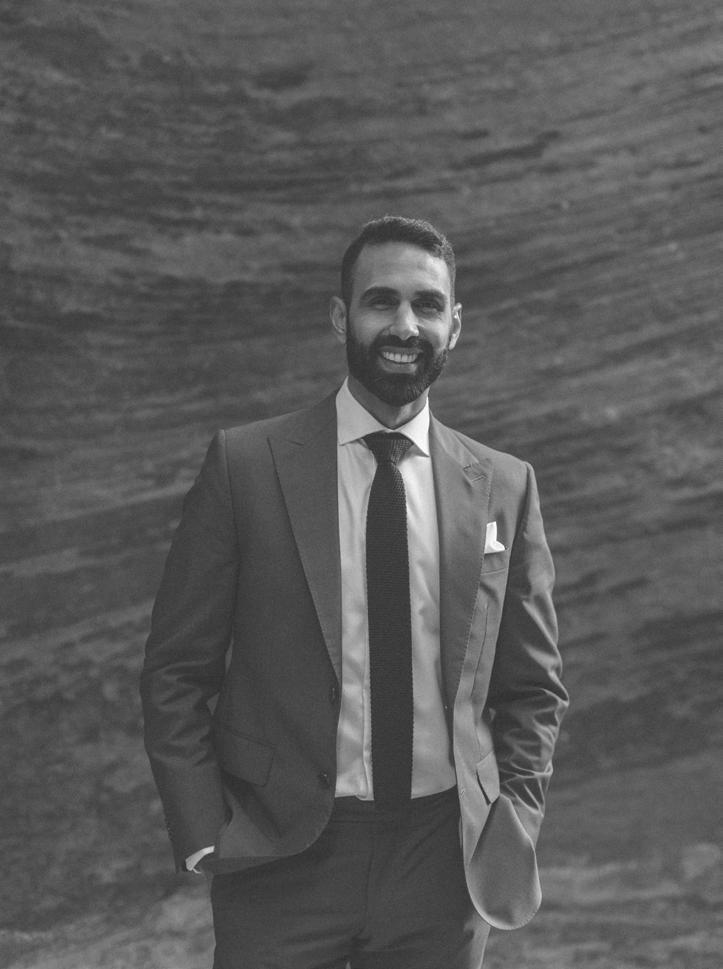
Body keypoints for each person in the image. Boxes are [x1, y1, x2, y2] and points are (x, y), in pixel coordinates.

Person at [140, 215, 568, 969]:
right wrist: (204, 830)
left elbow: (532, 687)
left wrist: (515, 816)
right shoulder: (247, 465)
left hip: (442, 861)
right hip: (279, 853)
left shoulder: (504, 485)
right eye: (381, 301)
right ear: (342, 316)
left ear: (454, 324)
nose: (404, 325)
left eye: (426, 306)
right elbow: (176, 670)